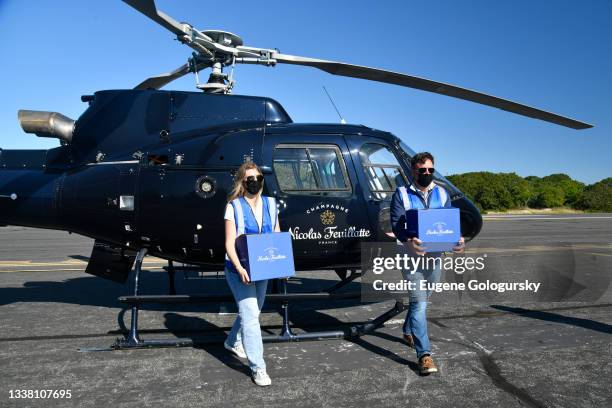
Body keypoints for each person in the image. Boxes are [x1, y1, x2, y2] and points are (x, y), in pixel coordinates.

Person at [389, 152, 465, 374]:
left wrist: (457, 239)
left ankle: (407, 329)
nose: (427, 174)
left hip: (435, 256)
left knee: (421, 300)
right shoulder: (401, 194)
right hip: (410, 257)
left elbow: (448, 222)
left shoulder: (442, 193)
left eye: (431, 170)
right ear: (413, 171)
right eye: (422, 170)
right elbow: (396, 225)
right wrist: (408, 240)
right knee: (420, 303)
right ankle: (425, 355)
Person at [223, 161, 280, 387]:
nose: (254, 182)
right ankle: (259, 368)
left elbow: (276, 234)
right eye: (249, 179)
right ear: (242, 182)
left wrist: (280, 263)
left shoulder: (272, 204)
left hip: (263, 266)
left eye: (257, 178)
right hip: (239, 268)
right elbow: (229, 243)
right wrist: (239, 269)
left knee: (252, 312)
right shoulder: (233, 206)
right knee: (251, 318)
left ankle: (231, 341)